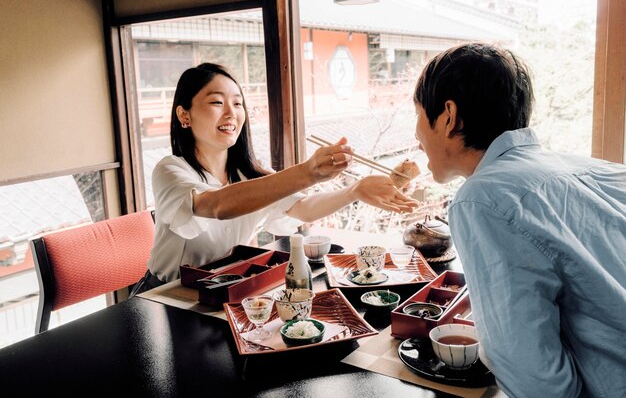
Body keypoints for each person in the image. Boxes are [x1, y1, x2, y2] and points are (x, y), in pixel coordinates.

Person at [412, 43, 626, 398]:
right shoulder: (596, 170)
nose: (416, 137)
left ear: (448, 116)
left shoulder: (484, 198)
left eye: (417, 113)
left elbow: (538, 383)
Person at [131, 62, 418, 294]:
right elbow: (215, 205)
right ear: (185, 114)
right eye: (217, 102)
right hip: (164, 295)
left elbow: (303, 207)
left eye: (239, 103)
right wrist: (307, 172)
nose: (232, 113)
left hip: (223, 290)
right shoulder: (170, 170)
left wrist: (354, 191)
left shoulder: (248, 176)